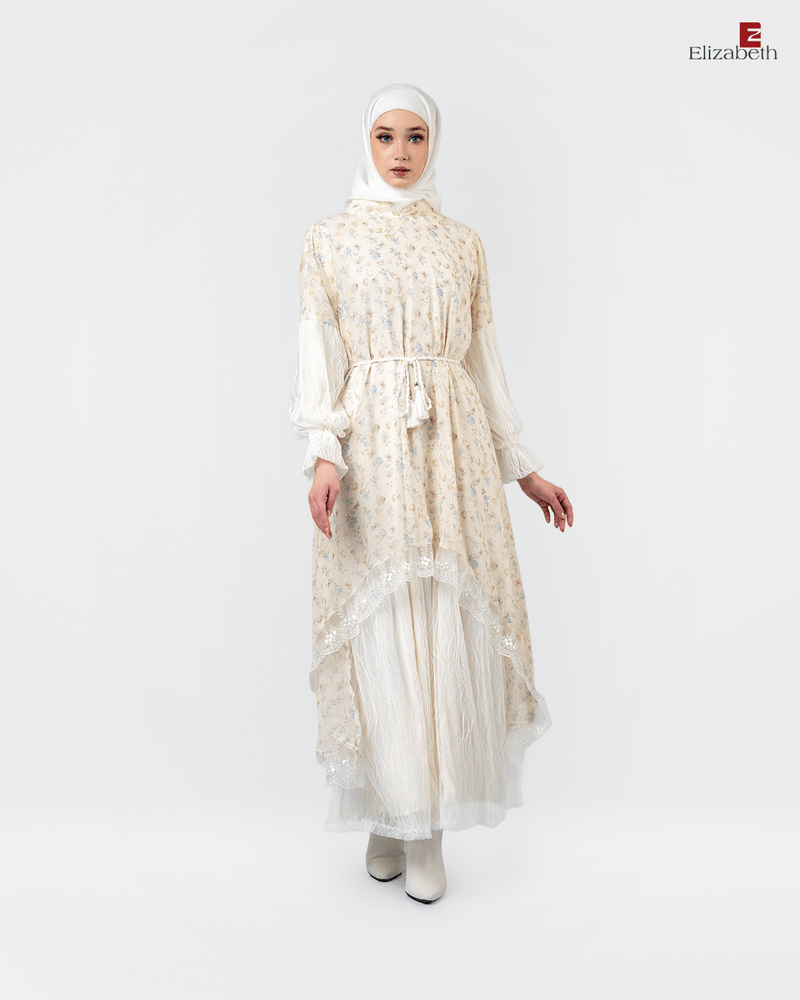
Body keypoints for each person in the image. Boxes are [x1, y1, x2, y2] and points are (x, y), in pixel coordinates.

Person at [289, 83, 573, 904]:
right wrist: (324, 455)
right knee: (385, 624)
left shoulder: (462, 244)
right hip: (372, 455)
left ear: (433, 144)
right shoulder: (329, 239)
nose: (401, 152)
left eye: (416, 136)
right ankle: (390, 810)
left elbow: (483, 362)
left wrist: (522, 466)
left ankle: (427, 829)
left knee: (442, 624)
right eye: (386, 135)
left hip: (453, 454)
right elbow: (319, 354)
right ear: (367, 142)